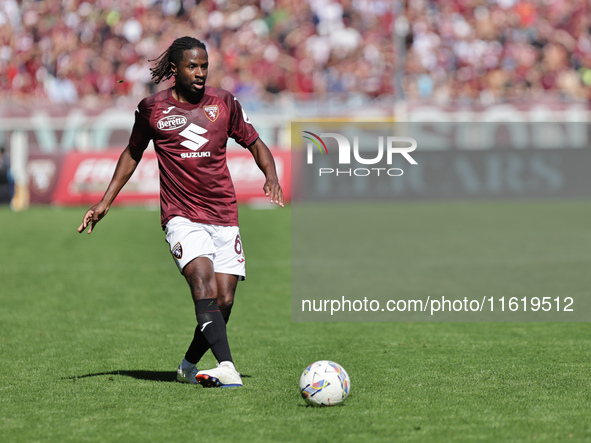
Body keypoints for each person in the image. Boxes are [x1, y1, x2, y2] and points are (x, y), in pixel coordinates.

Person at [77, 36, 283, 388]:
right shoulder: (151, 109)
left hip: (223, 214)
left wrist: (272, 176)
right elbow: (132, 152)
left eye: (204, 65)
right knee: (202, 284)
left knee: (225, 301)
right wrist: (105, 201)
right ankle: (228, 367)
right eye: (192, 66)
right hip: (180, 215)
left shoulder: (224, 103)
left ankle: (188, 365)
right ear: (174, 70)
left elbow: (255, 142)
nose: (200, 72)